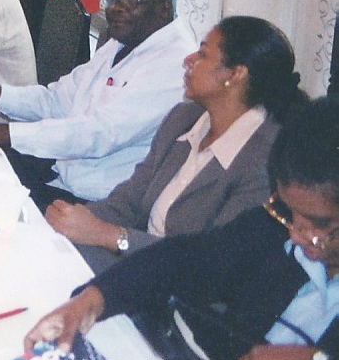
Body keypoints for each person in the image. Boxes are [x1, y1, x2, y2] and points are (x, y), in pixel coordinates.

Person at [24, 96, 339, 360]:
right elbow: (185, 260)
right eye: (288, 212)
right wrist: (91, 301)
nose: (296, 234)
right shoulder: (275, 226)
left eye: (320, 224)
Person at [47, 15, 308, 273]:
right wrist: (66, 221)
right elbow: (128, 201)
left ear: (236, 75)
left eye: (202, 54)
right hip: (138, 263)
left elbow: (211, 260)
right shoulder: (183, 119)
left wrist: (110, 235)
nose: (188, 60)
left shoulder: (264, 160)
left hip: (182, 287)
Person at [0, 0, 196, 208]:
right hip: (63, 173)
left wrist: (1, 132)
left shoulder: (175, 63)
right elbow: (55, 100)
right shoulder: (125, 42)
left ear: (165, 8)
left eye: (132, 0)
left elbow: (99, 134)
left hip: (100, 202)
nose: (116, 8)